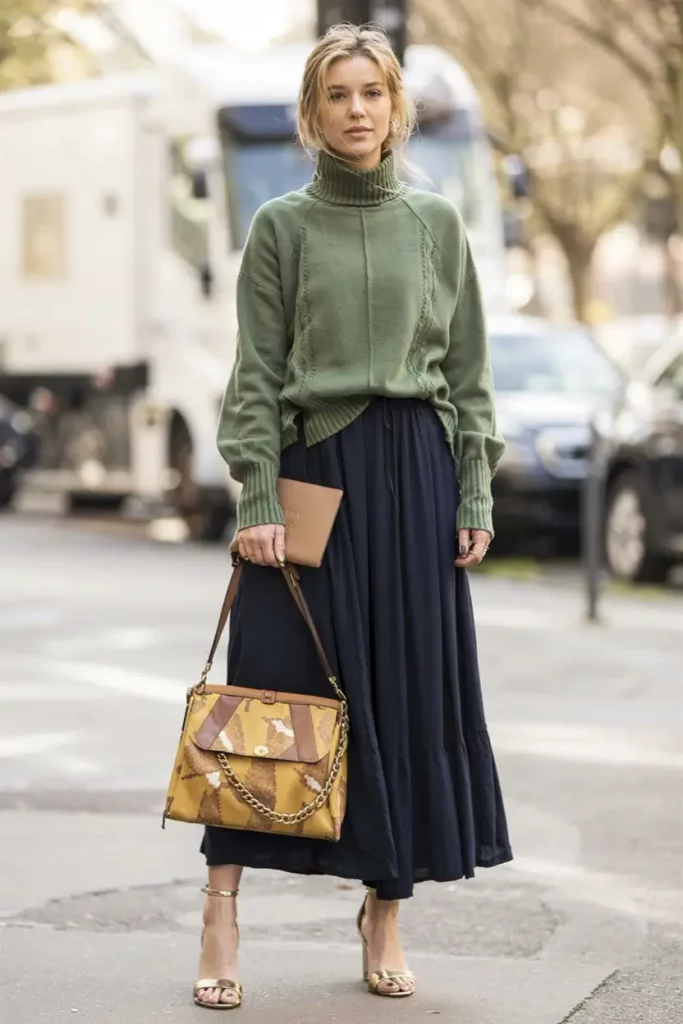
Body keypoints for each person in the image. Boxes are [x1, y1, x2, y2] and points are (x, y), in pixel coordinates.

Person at [193, 22, 513, 1010]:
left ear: (395, 105)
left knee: (404, 689)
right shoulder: (281, 228)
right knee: (277, 689)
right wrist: (255, 496)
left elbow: (465, 374)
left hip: (414, 470)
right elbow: (254, 376)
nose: (357, 109)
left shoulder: (436, 224)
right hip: (312, 470)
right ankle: (220, 900)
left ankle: (384, 906)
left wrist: (472, 489)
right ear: (311, 111)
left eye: (372, 91)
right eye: (337, 93)